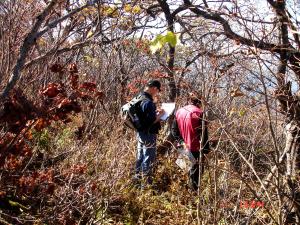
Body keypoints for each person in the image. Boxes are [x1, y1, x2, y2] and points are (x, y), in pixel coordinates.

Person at [171, 92, 210, 191]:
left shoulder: (179, 111)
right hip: (196, 148)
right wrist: (206, 150)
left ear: (189, 100)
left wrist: (181, 142)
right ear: (199, 102)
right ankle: (193, 199)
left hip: (183, 146)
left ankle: (183, 195)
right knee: (195, 177)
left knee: (184, 173)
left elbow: (174, 131)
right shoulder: (200, 113)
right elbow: (204, 134)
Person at [133, 80, 165, 188]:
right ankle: (146, 186)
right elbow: (151, 121)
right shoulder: (148, 102)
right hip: (149, 134)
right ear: (154, 88)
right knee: (148, 158)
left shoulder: (139, 97)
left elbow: (144, 117)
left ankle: (137, 183)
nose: (157, 93)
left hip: (140, 133)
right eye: (157, 90)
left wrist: (155, 113)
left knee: (140, 157)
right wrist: (161, 115)